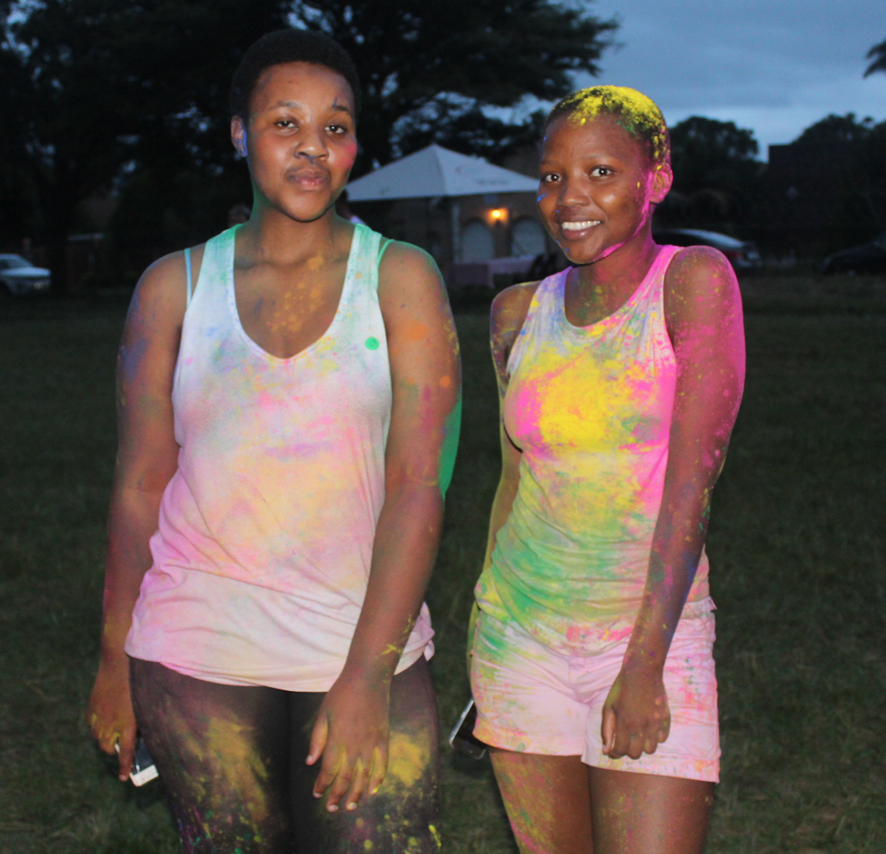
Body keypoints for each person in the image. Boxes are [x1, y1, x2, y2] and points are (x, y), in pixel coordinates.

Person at [87, 28, 460, 854]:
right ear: (239, 134)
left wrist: (367, 674)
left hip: (360, 636)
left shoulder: (400, 278)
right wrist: (114, 660)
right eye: (285, 123)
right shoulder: (173, 288)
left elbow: (417, 484)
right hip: (195, 643)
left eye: (335, 126)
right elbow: (140, 486)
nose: (312, 147)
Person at [469, 86, 745, 854]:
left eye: (600, 172)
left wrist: (645, 664)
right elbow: (513, 480)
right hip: (518, 638)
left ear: (656, 178)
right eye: (552, 177)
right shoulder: (516, 314)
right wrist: (483, 623)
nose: (570, 199)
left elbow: (692, 488)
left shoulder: (692, 284)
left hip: (650, 635)